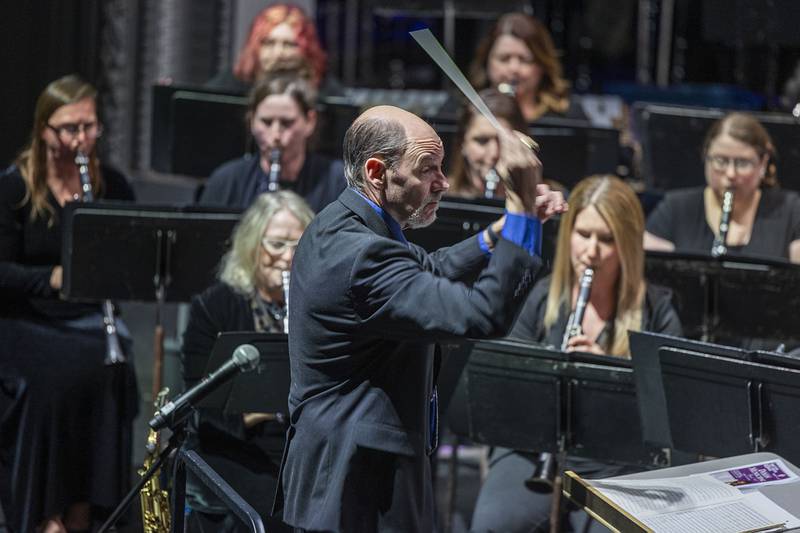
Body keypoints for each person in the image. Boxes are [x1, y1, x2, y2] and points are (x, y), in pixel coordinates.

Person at [273, 104, 567, 532]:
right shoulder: (363, 254)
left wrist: (498, 233)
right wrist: (521, 213)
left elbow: (424, 269)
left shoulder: (341, 224)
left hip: (346, 474)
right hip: (355, 486)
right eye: (428, 169)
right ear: (378, 172)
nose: (443, 183)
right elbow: (481, 316)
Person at [470, 175, 682, 533]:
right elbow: (506, 385)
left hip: (620, 458)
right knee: (494, 523)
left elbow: (671, 406)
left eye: (606, 239)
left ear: (627, 245)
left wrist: (610, 374)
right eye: (583, 235)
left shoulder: (657, 309)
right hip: (535, 448)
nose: (591, 252)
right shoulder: (540, 298)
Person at [0, 74, 138, 533]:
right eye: (70, 129)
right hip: (27, 320)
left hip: (89, 321)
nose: (81, 139)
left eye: (89, 127)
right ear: (44, 130)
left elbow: (131, 259)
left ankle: (88, 512)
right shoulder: (15, 188)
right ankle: (43, 514)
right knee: (52, 379)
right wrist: (52, 278)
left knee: (109, 374)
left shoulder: (110, 186)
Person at [182, 191, 313, 532]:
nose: (287, 258)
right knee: (275, 509)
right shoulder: (214, 306)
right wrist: (262, 409)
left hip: (301, 445)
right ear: (253, 245)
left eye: (298, 246)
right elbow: (200, 398)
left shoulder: (317, 307)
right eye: (277, 245)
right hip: (235, 447)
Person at [644, 112, 800, 263]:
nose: (731, 174)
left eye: (743, 163)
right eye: (720, 161)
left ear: (763, 163)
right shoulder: (675, 208)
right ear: (706, 156)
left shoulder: (792, 210)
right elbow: (651, 274)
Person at [199, 73, 346, 213]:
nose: (276, 135)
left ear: (310, 121)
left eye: (287, 123)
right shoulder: (226, 182)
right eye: (266, 122)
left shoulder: (338, 181)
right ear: (251, 121)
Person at [469, 12, 585, 122]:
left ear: (542, 65)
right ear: (487, 61)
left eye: (525, 60)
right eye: (504, 58)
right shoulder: (465, 112)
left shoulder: (569, 117)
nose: (514, 69)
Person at [206, 3, 328, 94]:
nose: (278, 53)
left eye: (289, 44)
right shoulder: (230, 84)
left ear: (306, 50)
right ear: (255, 47)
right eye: (269, 43)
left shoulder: (325, 90)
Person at [448, 88, 528, 199]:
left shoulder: (543, 200)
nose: (494, 154)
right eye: (482, 140)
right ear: (462, 142)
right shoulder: (436, 196)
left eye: (504, 142)